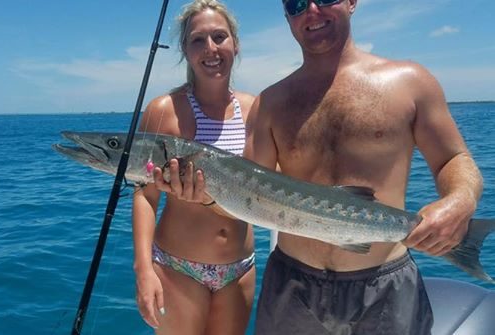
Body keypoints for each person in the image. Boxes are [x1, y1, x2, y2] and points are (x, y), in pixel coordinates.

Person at [155, 0, 484, 334]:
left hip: (384, 288)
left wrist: (460, 200)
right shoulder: (271, 103)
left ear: (353, 2)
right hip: (293, 288)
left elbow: (454, 159)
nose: (311, 11)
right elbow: (246, 201)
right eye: (297, 4)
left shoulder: (410, 82)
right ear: (288, 17)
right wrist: (203, 195)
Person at [132, 1, 256, 334]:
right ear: (185, 51)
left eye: (220, 36)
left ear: (235, 44)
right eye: (198, 40)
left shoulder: (255, 110)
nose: (211, 48)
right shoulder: (164, 111)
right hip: (177, 267)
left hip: (240, 269)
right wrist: (144, 269)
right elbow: (145, 197)